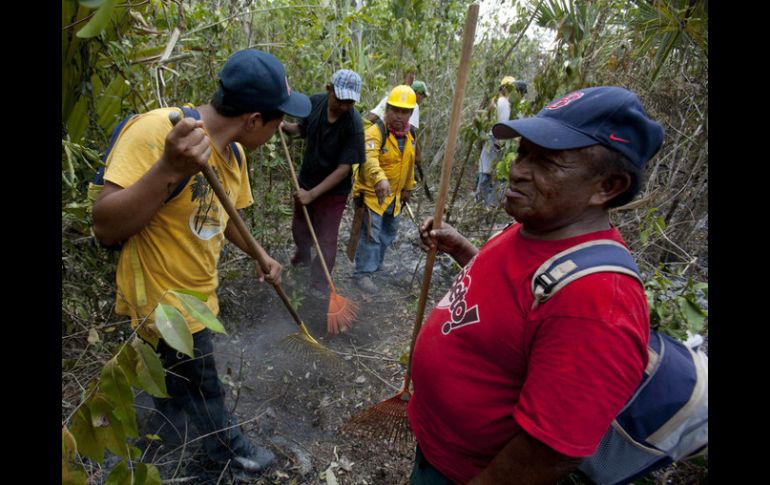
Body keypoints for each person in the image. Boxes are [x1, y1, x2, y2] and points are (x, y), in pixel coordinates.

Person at [409, 86, 664, 484]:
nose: (516, 169)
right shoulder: (538, 227)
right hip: (437, 450)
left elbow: (549, 453)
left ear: (607, 187)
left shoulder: (599, 304)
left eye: (546, 161)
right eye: (524, 152)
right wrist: (465, 252)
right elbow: (517, 305)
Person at [92, 49, 311, 480]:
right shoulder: (160, 132)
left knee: (176, 397)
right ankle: (226, 455)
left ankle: (167, 449)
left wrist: (260, 254)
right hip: (162, 308)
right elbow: (104, 225)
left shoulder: (235, 155)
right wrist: (169, 168)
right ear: (252, 120)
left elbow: (225, 215)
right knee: (204, 390)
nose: (280, 129)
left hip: (199, 302)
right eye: (276, 121)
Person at [281, 69, 365, 295]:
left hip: (334, 191)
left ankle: (319, 283)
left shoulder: (353, 123)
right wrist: (285, 127)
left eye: (350, 102)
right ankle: (301, 260)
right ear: (329, 90)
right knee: (299, 228)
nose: (345, 106)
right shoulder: (315, 103)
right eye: (340, 100)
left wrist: (313, 194)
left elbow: (344, 169)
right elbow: (303, 129)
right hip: (307, 179)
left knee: (326, 238)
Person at [351, 85, 418, 293]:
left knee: (388, 233)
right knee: (371, 234)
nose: (399, 116)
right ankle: (363, 273)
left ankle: (375, 266)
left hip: (394, 199)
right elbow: (369, 160)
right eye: (395, 110)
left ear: (411, 113)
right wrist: (380, 179)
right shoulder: (375, 133)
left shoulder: (409, 136)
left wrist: (408, 188)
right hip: (372, 197)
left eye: (404, 111)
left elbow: (409, 163)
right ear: (387, 109)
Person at [475, 76, 521, 207]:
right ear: (505, 88)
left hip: (501, 140)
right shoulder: (501, 102)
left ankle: (488, 203)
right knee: (488, 172)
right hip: (496, 139)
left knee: (495, 173)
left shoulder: (504, 102)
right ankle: (486, 203)